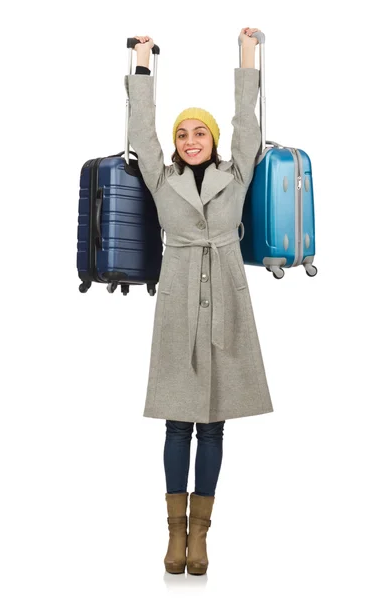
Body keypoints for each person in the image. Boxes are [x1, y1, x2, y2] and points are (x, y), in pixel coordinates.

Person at [124, 28, 273, 576]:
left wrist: (247, 55)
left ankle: (202, 536)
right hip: (179, 299)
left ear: (212, 139)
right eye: (182, 134)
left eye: (198, 133)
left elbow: (247, 125)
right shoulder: (161, 179)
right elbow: (141, 131)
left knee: (213, 423)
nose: (190, 140)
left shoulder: (238, 172)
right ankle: (174, 533)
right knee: (176, 422)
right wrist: (143, 64)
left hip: (228, 300)